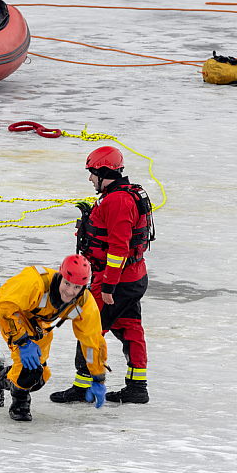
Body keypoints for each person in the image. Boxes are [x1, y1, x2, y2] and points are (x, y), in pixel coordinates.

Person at [58, 145, 154, 404]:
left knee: (90, 328)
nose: (90, 178)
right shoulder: (125, 195)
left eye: (92, 173)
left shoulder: (118, 201)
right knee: (129, 326)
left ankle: (83, 385)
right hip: (134, 277)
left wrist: (108, 287)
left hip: (117, 280)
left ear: (103, 171)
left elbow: (118, 248)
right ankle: (137, 386)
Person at [0, 255, 109, 421]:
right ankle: (20, 404)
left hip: (39, 326)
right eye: (67, 283)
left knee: (39, 377)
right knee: (29, 370)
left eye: (76, 287)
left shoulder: (83, 302)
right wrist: (23, 342)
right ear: (60, 276)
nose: (69, 291)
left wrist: (98, 376)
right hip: (14, 317)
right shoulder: (35, 282)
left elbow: (92, 340)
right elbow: (3, 307)